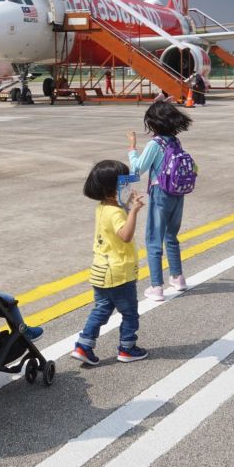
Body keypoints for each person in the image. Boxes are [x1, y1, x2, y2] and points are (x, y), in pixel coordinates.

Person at [72, 160, 148, 365]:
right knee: (130, 313)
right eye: (125, 183)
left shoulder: (103, 207)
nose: (129, 187)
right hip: (118, 273)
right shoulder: (116, 212)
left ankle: (84, 344)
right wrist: (133, 211)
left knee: (101, 309)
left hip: (100, 270)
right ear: (113, 188)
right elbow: (125, 235)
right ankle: (127, 348)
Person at [128, 102, 193, 301]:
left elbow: (138, 169)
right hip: (177, 193)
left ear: (153, 123)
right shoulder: (175, 141)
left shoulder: (155, 144)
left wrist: (132, 148)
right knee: (171, 235)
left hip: (160, 192)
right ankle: (178, 277)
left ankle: (156, 287)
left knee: (153, 238)